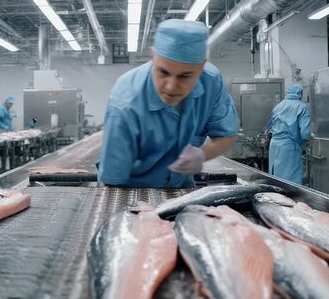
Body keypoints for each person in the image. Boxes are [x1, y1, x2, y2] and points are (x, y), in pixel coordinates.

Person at [98, 19, 240, 188]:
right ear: (153, 57)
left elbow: (226, 134)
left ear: (201, 66)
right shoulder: (126, 102)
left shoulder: (211, 82)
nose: (171, 87)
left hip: (182, 187)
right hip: (132, 190)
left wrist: (203, 154)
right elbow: (112, 181)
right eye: (163, 72)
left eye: (185, 76)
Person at [266, 84, 313, 184]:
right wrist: (312, 137)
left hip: (274, 146)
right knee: (290, 180)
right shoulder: (301, 107)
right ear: (300, 94)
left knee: (276, 178)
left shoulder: (278, 106)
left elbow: (269, 128)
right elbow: (305, 134)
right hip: (289, 147)